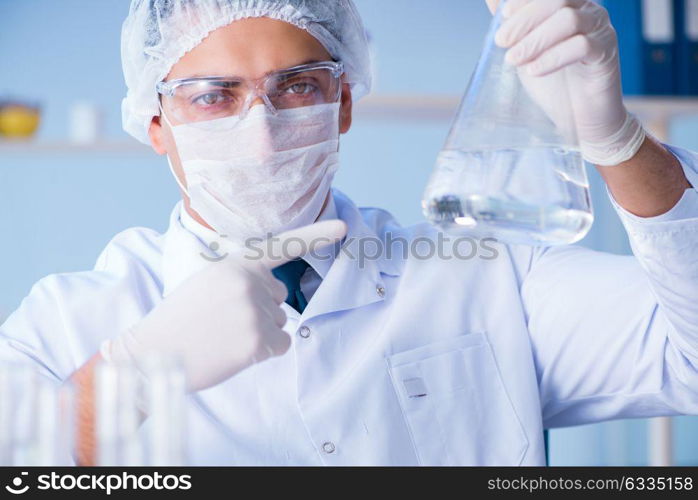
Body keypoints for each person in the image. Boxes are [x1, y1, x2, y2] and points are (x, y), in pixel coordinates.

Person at [1, 0, 697, 466]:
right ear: (156, 126)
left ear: (344, 103)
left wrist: (616, 142)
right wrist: (134, 375)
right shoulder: (73, 320)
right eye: (214, 95)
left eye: (297, 86)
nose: (261, 127)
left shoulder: (483, 274)